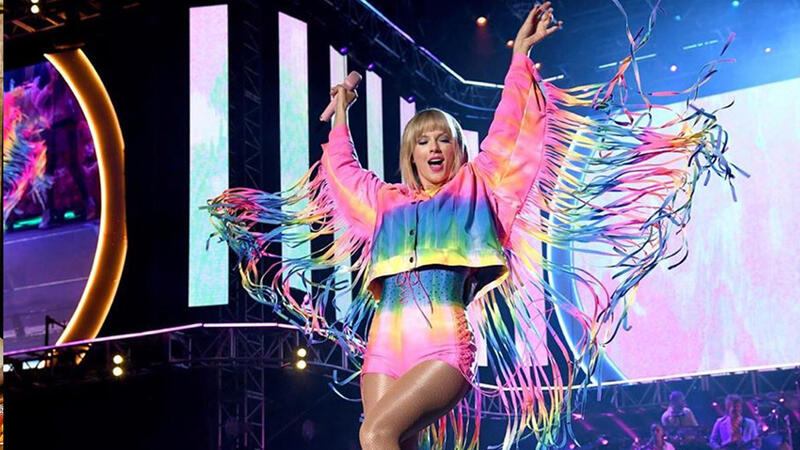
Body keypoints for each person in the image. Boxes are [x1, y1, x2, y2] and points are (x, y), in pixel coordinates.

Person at [206, 2, 739, 449]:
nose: (434, 147)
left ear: (457, 149)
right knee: (392, 440)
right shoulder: (386, 204)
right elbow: (343, 173)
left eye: (444, 139)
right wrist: (341, 113)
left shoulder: (477, 189)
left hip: (445, 347)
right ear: (410, 153)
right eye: (422, 140)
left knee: (374, 434)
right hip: (382, 349)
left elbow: (510, 129)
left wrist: (519, 58)